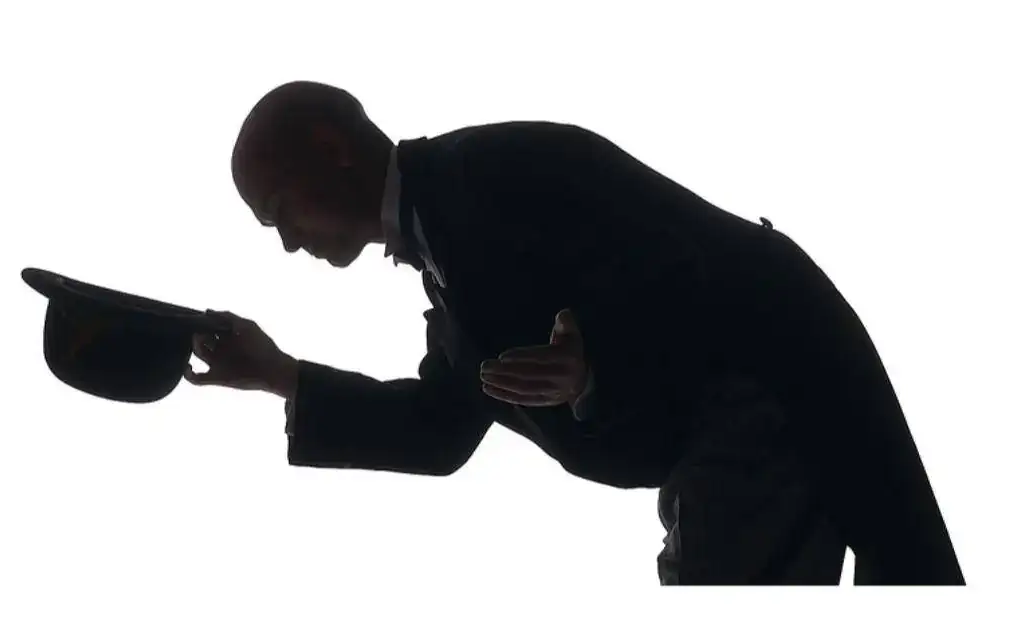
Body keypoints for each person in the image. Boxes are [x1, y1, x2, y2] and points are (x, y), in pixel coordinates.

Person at [186, 81, 965, 585]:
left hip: (763, 391)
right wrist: (277, 373)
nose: (288, 242)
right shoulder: (447, 256)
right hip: (732, 425)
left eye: (280, 212)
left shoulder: (490, 173)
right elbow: (439, 429)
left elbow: (669, 260)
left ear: (331, 152)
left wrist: (595, 360)